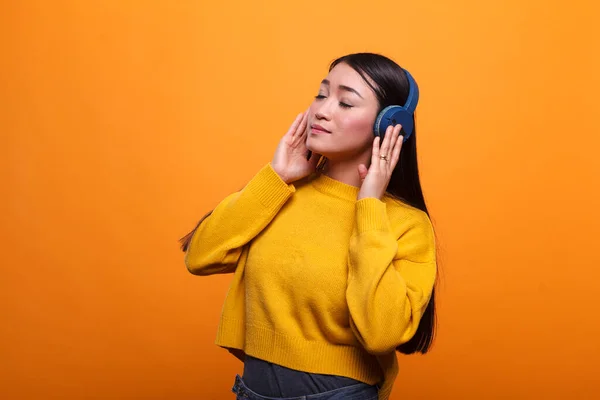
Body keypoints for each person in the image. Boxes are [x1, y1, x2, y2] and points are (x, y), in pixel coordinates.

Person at [181, 53, 438, 400]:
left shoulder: (404, 224)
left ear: (388, 125)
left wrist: (369, 207)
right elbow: (200, 256)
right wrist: (276, 176)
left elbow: (381, 334)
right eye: (321, 94)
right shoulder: (281, 191)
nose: (321, 109)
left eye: (345, 102)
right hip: (253, 391)